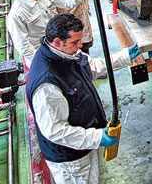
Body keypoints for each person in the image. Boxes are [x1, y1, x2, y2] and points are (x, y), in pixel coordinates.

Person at [25, 13, 140, 184]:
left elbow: (91, 67)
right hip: (71, 160)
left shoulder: (65, 53)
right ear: (57, 41)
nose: (80, 46)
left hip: (84, 143)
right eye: (74, 42)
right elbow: (55, 131)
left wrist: (123, 57)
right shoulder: (47, 84)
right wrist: (96, 137)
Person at [6, 0, 83, 67]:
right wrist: (43, 61)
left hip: (59, 46)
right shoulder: (17, 14)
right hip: (42, 57)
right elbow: (23, 46)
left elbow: (66, 2)